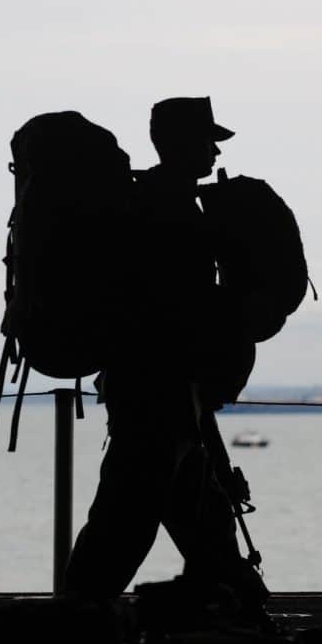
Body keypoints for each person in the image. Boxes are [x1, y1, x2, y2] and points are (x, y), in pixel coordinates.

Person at [64, 97, 267, 617]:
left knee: (208, 525)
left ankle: (257, 624)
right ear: (178, 144)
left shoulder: (162, 202)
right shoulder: (164, 209)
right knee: (125, 526)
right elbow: (174, 307)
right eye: (206, 140)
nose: (213, 150)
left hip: (170, 396)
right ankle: (69, 626)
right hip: (157, 393)